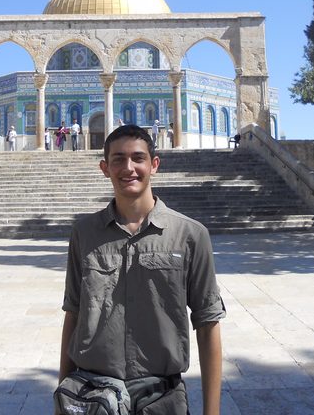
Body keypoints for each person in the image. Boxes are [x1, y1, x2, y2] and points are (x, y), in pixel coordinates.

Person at [58, 124, 225, 414]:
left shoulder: (189, 235)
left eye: (138, 158)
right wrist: (62, 398)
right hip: (93, 397)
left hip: (160, 399)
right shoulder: (84, 234)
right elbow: (73, 313)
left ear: (154, 164)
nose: (128, 167)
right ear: (104, 168)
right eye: (118, 159)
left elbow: (208, 324)